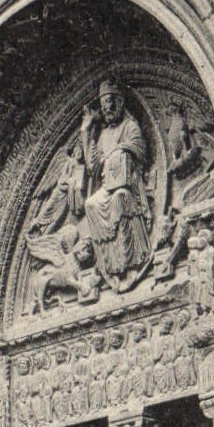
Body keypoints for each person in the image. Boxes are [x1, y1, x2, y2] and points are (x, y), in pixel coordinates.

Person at [80, 78, 152, 287]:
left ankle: (131, 263)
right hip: (107, 185)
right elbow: (93, 167)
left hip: (129, 185)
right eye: (103, 105)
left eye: (110, 102)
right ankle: (111, 265)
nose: (107, 108)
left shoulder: (130, 126)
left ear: (120, 102)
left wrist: (122, 150)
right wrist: (86, 132)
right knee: (91, 205)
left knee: (120, 199)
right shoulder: (103, 135)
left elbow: (141, 150)